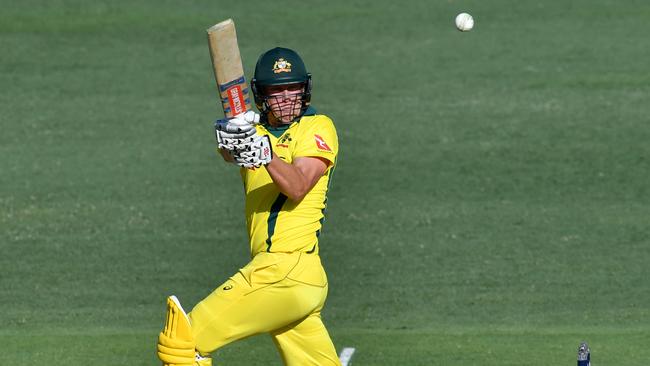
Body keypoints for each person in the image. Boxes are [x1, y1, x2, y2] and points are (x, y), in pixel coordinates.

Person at [156, 47, 341, 366]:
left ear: (305, 90)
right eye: (276, 90)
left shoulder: (318, 127)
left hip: (285, 270)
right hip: (293, 280)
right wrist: (234, 137)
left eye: (292, 88)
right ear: (261, 95)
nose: (285, 97)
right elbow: (231, 151)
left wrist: (266, 153)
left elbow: (298, 185)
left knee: (182, 343)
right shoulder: (256, 133)